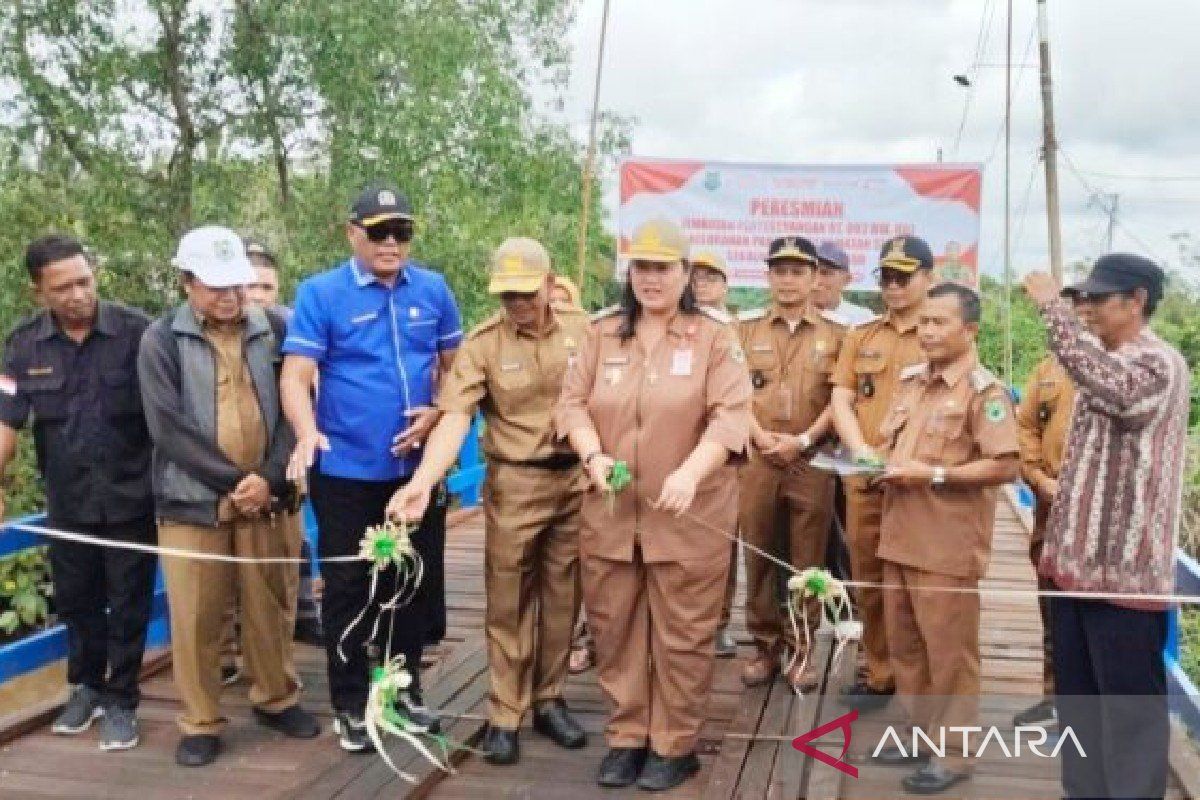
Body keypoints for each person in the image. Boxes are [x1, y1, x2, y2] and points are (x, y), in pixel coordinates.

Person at [555, 218, 750, 791]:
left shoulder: (714, 337)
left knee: (683, 635)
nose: (651, 277)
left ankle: (674, 741)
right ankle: (627, 734)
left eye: (663, 267)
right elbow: (570, 406)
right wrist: (591, 457)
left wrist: (692, 471)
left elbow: (732, 414)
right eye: (641, 266)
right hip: (613, 514)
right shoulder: (601, 334)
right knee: (615, 630)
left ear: (685, 273)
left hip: (688, 516)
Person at [388, 238, 589, 766]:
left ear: (550, 283)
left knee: (564, 595)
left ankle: (548, 698)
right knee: (507, 600)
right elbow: (455, 417)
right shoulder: (483, 344)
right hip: (516, 482)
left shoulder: (584, 331)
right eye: (507, 295)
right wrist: (424, 482)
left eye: (527, 292)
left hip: (576, 484)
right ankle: (505, 710)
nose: (518, 304)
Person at [280, 183, 463, 752]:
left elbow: (459, 372)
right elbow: (296, 374)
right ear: (352, 233)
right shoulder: (321, 293)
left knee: (409, 584)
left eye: (401, 232)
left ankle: (399, 693)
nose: (391, 243)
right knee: (349, 589)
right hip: (348, 473)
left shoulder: (433, 290)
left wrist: (438, 413)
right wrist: (308, 432)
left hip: (414, 472)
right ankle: (351, 703)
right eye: (378, 232)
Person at [138, 226, 317, 767]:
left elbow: (298, 405)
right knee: (196, 616)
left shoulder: (280, 327)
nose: (229, 295)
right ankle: (201, 719)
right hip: (195, 503)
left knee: (273, 602)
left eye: (236, 284)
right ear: (187, 282)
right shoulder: (161, 339)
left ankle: (276, 696)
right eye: (215, 286)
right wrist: (233, 484)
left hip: (272, 496)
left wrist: (268, 478)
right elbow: (166, 428)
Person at [1024, 255, 1190, 800]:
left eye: (1098, 299)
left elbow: (1112, 387)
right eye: (1081, 299)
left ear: (1137, 300)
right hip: (1074, 573)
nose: (1086, 308)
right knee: (1079, 708)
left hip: (1124, 581)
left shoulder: (1156, 364)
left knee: (1129, 716)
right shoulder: (1106, 357)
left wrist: (1053, 308)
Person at [0, 235, 156, 751]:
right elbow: (6, 422)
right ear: (38, 290)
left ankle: (122, 701)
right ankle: (85, 688)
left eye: (83, 281)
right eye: (62, 286)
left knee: (130, 602)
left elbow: (171, 414)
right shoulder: (23, 345)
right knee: (76, 601)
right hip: (67, 502)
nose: (76, 294)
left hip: (134, 498)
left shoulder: (137, 332)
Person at [869, 282, 1019, 794]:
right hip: (898, 535)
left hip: (946, 546)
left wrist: (931, 475)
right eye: (923, 322)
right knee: (907, 647)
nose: (926, 331)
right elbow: (893, 447)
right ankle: (915, 733)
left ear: (969, 330)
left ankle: (954, 755)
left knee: (949, 654)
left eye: (939, 323)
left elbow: (1005, 465)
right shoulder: (911, 382)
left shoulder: (985, 392)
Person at [830, 235, 935, 712]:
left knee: (917, 585)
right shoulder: (863, 336)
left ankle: (922, 681)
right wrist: (859, 451)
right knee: (868, 579)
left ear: (928, 279)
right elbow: (841, 399)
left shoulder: (940, 335)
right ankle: (879, 672)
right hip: (866, 477)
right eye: (886, 277)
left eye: (903, 277)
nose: (893, 287)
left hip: (917, 484)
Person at [737, 235, 844, 692]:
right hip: (759, 458)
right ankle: (764, 647)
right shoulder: (743, 331)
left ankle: (802, 648)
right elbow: (731, 394)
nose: (787, 280)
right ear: (768, 276)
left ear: (815, 277)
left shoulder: (839, 337)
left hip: (812, 460)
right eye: (779, 270)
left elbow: (840, 400)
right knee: (759, 553)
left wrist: (802, 439)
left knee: (808, 561)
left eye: (797, 271)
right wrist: (763, 439)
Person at [1012, 350, 1075, 728]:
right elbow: (1025, 426)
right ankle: (1053, 698)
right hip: (1049, 501)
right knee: (1049, 596)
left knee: (1091, 605)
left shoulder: (1119, 365)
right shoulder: (1048, 368)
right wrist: (1036, 477)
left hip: (1098, 509)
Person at [689, 248, 740, 659]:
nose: (701, 284)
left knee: (723, 541)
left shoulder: (733, 330)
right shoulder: (672, 325)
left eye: (711, 278)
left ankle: (718, 621)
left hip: (725, 454)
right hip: (679, 451)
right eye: (696, 277)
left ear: (725, 285)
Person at [813, 241, 876, 327]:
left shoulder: (863, 319)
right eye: (812, 273)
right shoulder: (791, 317)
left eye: (825, 273)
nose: (817, 280)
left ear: (847, 279)